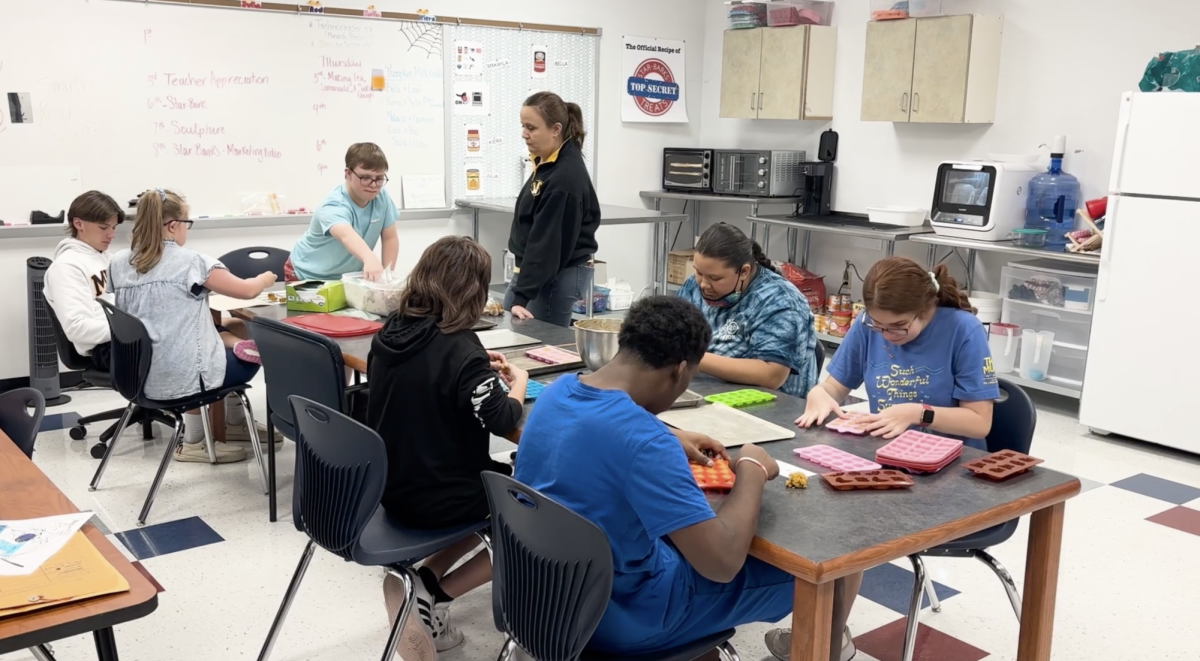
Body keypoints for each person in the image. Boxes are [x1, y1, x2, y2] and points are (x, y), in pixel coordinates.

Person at [513, 297, 858, 661]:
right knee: (839, 568)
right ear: (679, 371)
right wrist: (753, 469)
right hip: (624, 617)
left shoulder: (556, 393)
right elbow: (722, 564)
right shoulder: (646, 443)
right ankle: (829, 647)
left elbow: (599, 431)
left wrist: (666, 434)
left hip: (546, 599)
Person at [367, 236, 528, 655]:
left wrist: (478, 375)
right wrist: (519, 383)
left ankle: (420, 584)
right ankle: (437, 596)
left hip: (394, 488)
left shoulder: (391, 332)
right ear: (473, 291)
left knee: (492, 489)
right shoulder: (462, 349)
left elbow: (439, 379)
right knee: (526, 512)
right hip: (442, 495)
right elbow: (503, 419)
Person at [108, 189, 277, 463]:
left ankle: (231, 426)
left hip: (136, 374)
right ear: (173, 226)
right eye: (187, 223)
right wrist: (266, 278)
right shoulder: (192, 263)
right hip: (181, 377)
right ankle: (196, 440)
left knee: (231, 327)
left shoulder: (117, 262)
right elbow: (246, 291)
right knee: (253, 352)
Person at [796, 257, 999, 449]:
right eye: (878, 325)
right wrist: (820, 393)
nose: (886, 335)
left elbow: (979, 423)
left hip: (950, 461)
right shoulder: (866, 325)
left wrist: (917, 413)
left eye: (898, 325)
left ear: (925, 308)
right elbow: (835, 386)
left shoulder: (963, 330)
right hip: (889, 450)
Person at [677, 223, 818, 398]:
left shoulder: (780, 301)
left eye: (715, 278)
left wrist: (691, 356)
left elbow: (772, 375)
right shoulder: (694, 286)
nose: (704, 284)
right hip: (705, 391)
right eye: (698, 272)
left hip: (769, 407)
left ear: (744, 271)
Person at [503, 92, 601, 327]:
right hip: (540, 270)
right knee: (514, 331)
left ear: (555, 129)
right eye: (523, 126)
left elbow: (547, 243)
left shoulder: (563, 178)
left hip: (557, 274)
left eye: (531, 128)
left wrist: (522, 296)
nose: (524, 134)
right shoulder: (547, 162)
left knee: (541, 347)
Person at [286, 142, 399, 282]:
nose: (374, 184)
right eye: (365, 178)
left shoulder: (382, 197)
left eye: (379, 178)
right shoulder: (333, 204)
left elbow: (390, 238)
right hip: (307, 275)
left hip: (345, 279)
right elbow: (346, 235)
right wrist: (369, 258)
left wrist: (387, 277)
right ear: (348, 174)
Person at [45, 191, 124, 372]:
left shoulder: (111, 259)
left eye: (113, 228)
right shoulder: (66, 267)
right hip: (106, 347)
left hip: (125, 339)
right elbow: (76, 327)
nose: (111, 235)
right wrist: (135, 330)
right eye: (104, 228)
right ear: (78, 223)